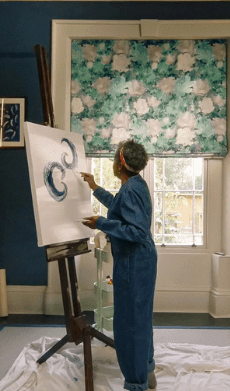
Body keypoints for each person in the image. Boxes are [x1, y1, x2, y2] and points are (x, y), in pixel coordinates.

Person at [81, 140, 158, 391]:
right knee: (141, 318)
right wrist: (94, 187)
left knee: (129, 324)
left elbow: (136, 231)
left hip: (132, 262)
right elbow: (119, 205)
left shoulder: (130, 190)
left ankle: (137, 384)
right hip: (141, 260)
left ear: (119, 164)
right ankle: (146, 370)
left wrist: (101, 223)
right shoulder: (136, 185)